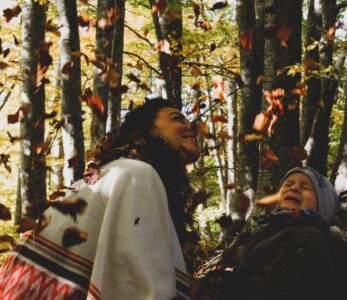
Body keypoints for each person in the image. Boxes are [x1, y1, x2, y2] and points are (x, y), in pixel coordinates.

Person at [0, 98, 201, 299]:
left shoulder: (112, 176)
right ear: (147, 131)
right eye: (177, 118)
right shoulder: (136, 174)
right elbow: (141, 290)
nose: (190, 125)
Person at [225, 166, 347, 300]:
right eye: (288, 185)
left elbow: (281, 289)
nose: (293, 188)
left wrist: (227, 292)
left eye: (305, 187)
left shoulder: (309, 238)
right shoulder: (267, 233)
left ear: (322, 206)